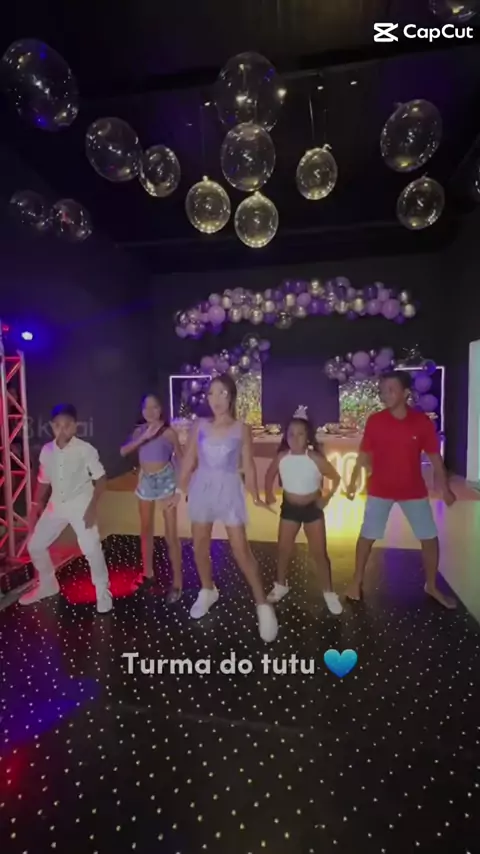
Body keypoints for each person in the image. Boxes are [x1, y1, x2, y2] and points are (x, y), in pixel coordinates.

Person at [178, 374, 278, 642]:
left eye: (222, 393)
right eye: (211, 393)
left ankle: (262, 604)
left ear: (231, 396)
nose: (216, 399)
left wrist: (255, 495)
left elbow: (249, 465)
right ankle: (207, 590)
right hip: (203, 487)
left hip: (230, 488)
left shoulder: (242, 428)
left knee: (241, 549)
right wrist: (179, 490)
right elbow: (189, 460)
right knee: (199, 545)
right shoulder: (199, 425)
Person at [345, 370, 456, 609]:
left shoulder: (421, 422)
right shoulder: (375, 421)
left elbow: (435, 458)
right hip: (380, 490)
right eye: (383, 390)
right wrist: (353, 482)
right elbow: (364, 454)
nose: (385, 395)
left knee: (429, 538)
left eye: (391, 390)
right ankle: (356, 580)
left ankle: (431, 585)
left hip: (413, 491)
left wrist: (445, 488)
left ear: (405, 393)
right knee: (367, 536)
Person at [20, 404, 112, 613]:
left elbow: (101, 479)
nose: (62, 430)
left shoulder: (85, 450)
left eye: (67, 425)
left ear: (75, 426)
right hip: (57, 505)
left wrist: (92, 508)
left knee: (91, 547)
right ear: (52, 426)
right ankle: (48, 585)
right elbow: (43, 480)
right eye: (57, 425)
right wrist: (35, 505)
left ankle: (103, 592)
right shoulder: (47, 450)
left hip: (81, 504)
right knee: (35, 546)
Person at [264, 407, 343, 614]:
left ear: (307, 437)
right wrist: (268, 493)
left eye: (300, 434)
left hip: (312, 510)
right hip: (289, 509)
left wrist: (326, 498)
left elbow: (335, 478)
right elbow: (269, 475)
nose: (295, 438)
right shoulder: (282, 457)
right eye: (291, 433)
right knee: (283, 549)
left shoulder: (315, 458)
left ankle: (328, 592)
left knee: (319, 553)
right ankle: (281, 584)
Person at [120, 394, 183, 601]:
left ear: (161, 409)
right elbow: (123, 451)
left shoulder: (169, 433)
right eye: (146, 407)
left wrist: (179, 490)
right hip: (146, 480)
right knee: (145, 529)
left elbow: (181, 460)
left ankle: (177, 582)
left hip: (166, 480)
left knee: (171, 533)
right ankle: (147, 574)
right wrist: (144, 437)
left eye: (154, 407)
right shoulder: (139, 431)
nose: (150, 411)